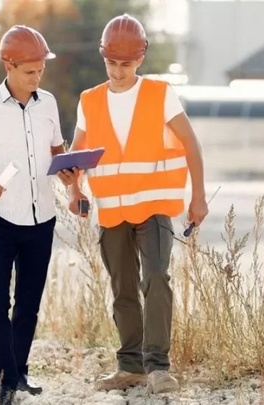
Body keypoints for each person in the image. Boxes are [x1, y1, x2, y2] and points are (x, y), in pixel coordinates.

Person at [67, 14, 209, 394]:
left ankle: (159, 366)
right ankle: (130, 367)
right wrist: (73, 190)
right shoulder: (89, 101)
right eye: (111, 63)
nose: (117, 71)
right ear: (103, 58)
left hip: (155, 206)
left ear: (140, 60)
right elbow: (77, 155)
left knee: (157, 278)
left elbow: (191, 144)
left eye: (125, 64)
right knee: (123, 288)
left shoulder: (161, 94)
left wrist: (199, 196)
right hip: (112, 210)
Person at [0, 25, 77, 405]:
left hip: (43, 217)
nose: (37, 77)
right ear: (8, 65)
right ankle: (2, 382)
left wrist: (68, 171)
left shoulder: (49, 103)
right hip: (0, 219)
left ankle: (19, 374)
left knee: (29, 303)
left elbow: (58, 151)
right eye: (29, 71)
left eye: (40, 70)